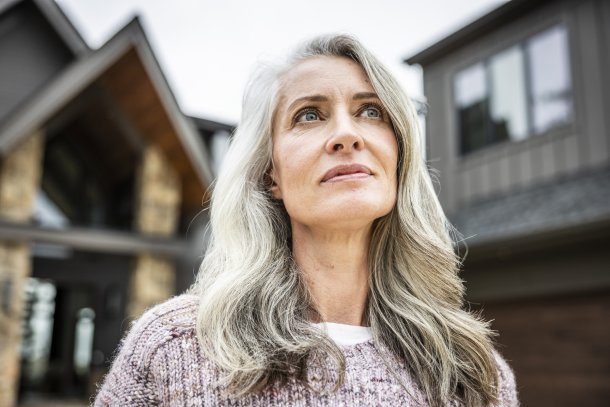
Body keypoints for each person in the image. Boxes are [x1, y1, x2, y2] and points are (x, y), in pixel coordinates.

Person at [94, 34, 518, 406]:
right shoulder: (174, 347)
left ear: (399, 155)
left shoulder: (472, 370)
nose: (347, 134)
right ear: (270, 174)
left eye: (371, 111)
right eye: (309, 115)